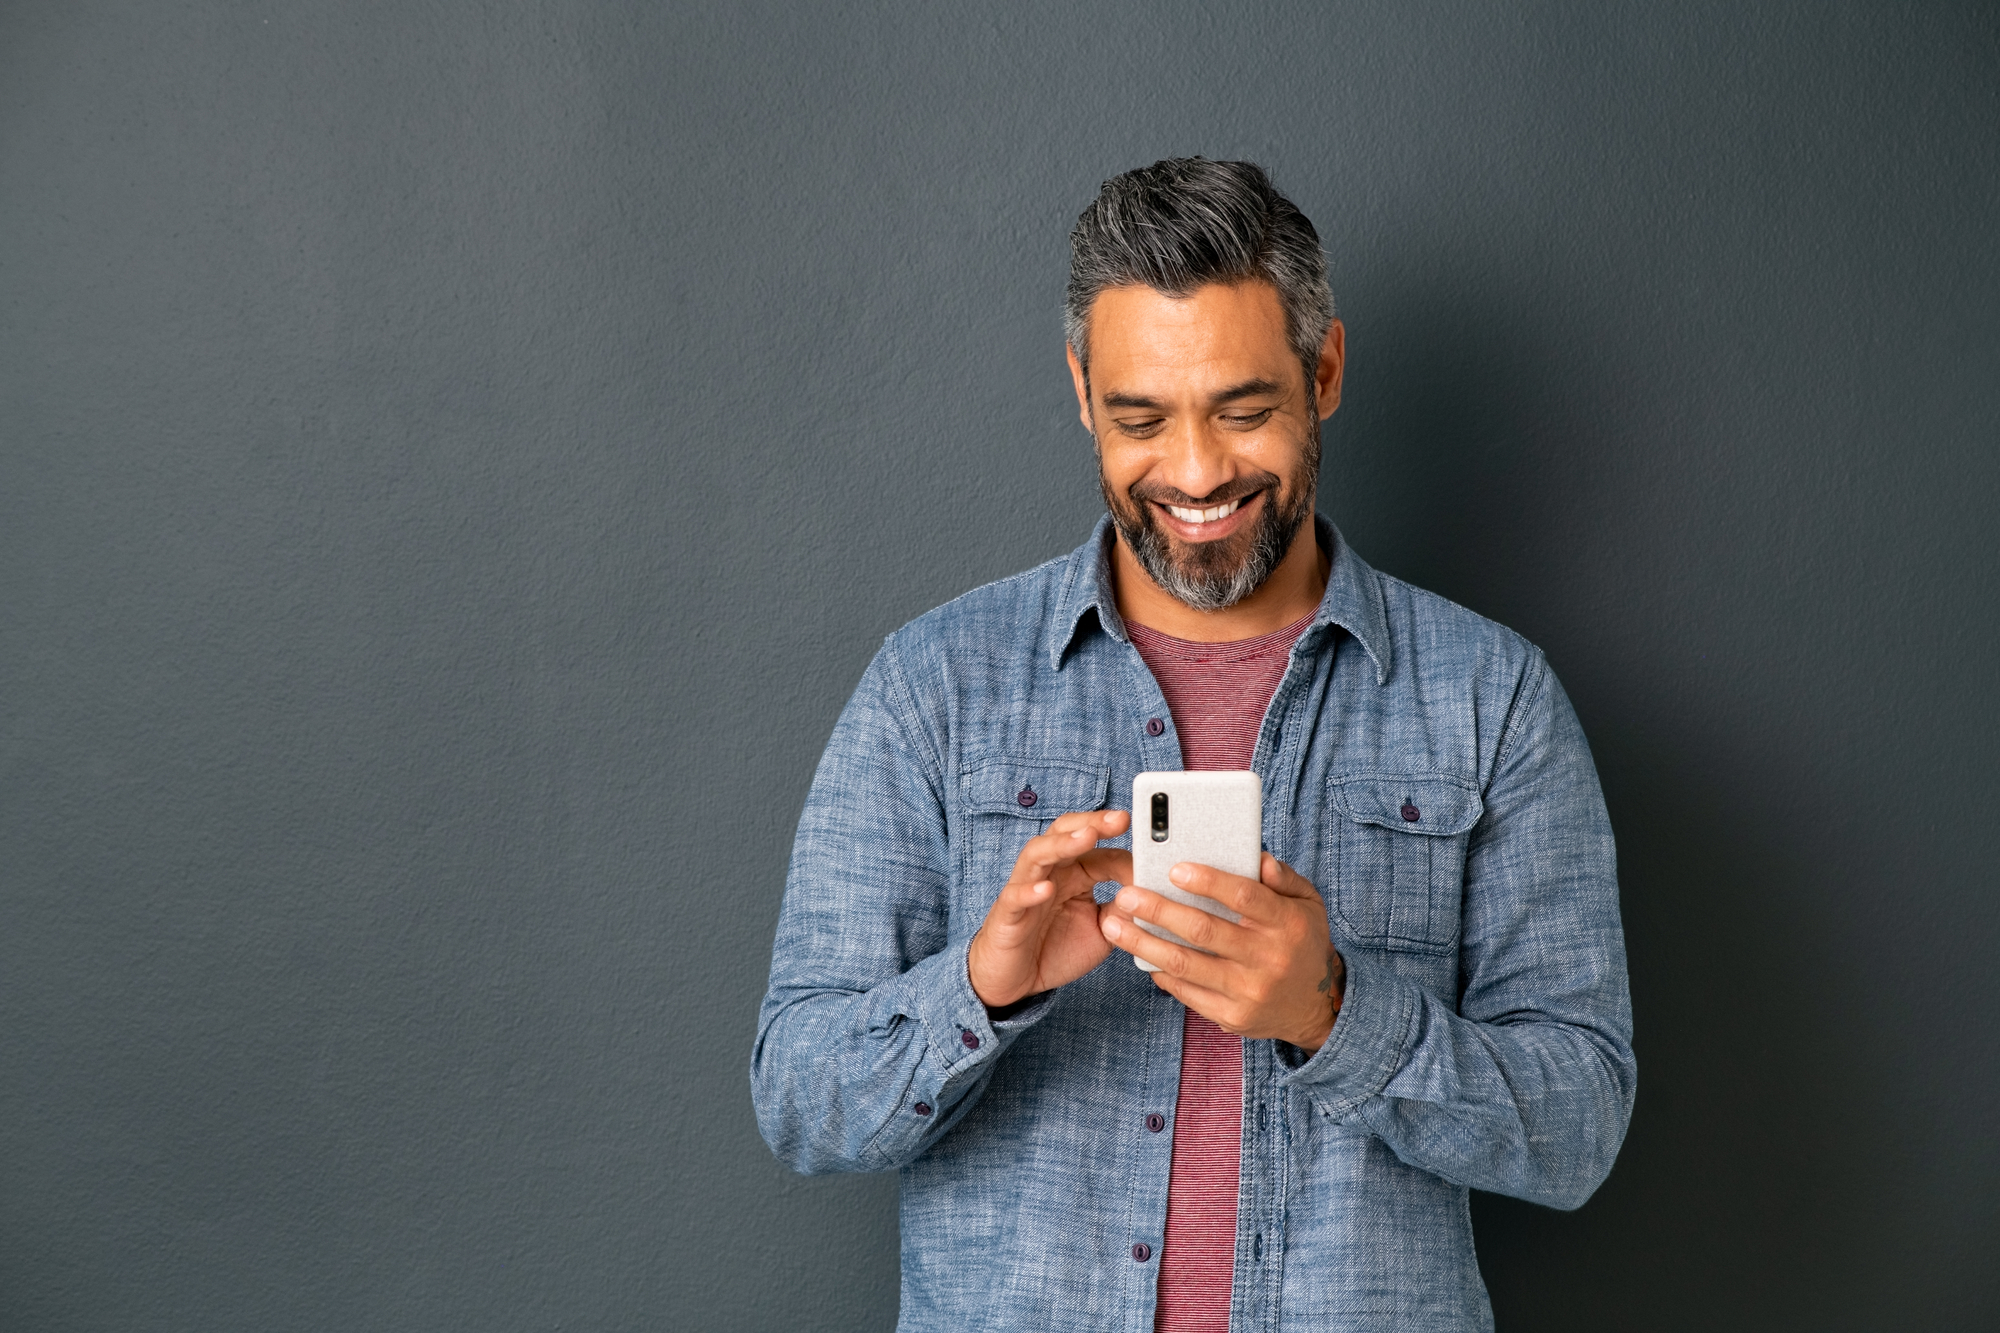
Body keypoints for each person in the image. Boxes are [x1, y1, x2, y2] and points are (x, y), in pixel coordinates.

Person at [752, 157, 1635, 1332]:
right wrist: (981, 986)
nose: (1195, 471)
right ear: (1079, 392)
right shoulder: (935, 684)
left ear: (1321, 372)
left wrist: (1331, 1008)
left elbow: (1575, 1127)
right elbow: (800, 1102)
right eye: (1140, 418)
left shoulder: (1492, 697)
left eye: (1242, 408)